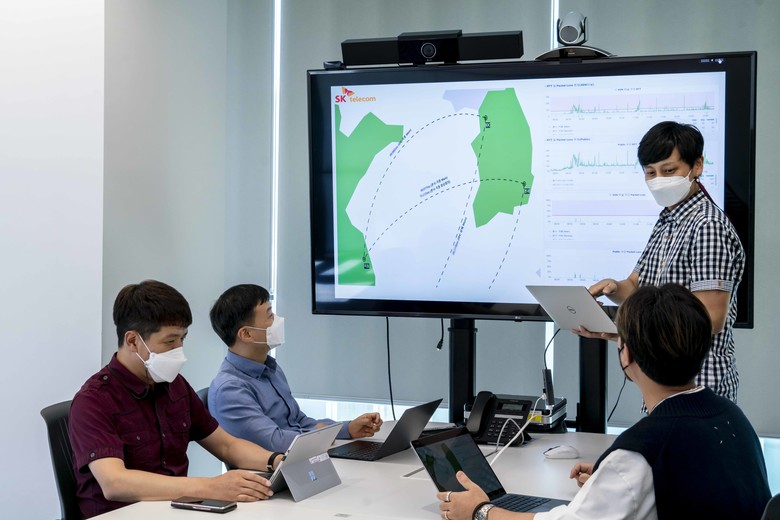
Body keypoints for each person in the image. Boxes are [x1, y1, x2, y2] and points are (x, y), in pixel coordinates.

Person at [436, 283, 771, 520]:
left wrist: (481, 511)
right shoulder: (732, 416)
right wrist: (609, 477)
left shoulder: (641, 452)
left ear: (626, 354)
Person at [69, 280, 282, 519]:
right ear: (132, 341)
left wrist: (276, 461)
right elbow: (115, 482)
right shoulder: (93, 401)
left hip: (176, 512)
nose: (179, 350)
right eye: (170, 341)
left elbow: (226, 445)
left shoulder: (175, 386)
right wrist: (210, 487)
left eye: (183, 339)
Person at [578, 121, 745, 402]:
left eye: (669, 171)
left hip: (699, 385)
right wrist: (614, 288)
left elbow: (710, 318)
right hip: (661, 383)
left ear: (697, 166)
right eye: (650, 172)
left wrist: (628, 330)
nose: (658, 180)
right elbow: (636, 287)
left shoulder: (707, 226)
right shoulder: (668, 220)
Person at [208, 283, 382, 453]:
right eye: (270, 315)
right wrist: (324, 436)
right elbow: (276, 442)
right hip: (276, 467)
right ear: (247, 334)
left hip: (302, 456)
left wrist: (347, 429)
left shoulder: (269, 368)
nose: (277, 320)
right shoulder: (230, 389)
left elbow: (298, 420)